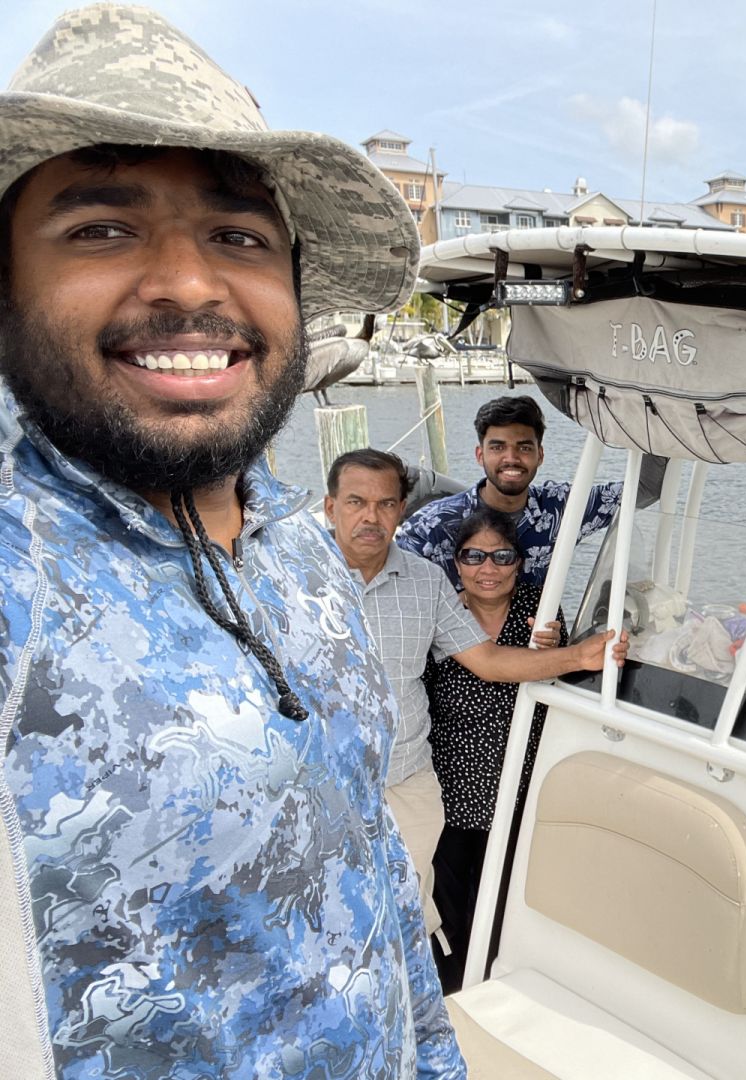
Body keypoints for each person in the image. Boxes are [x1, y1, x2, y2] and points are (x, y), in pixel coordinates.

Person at [0, 7, 459, 1075]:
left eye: (239, 238)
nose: (191, 283)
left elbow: (376, 863)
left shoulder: (302, 545)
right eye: (100, 228)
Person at [323, 447, 625, 947]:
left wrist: (579, 656)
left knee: (410, 915)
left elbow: (487, 659)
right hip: (322, 782)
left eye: (386, 503)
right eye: (356, 502)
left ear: (402, 510)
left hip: (407, 780)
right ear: (331, 507)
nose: (371, 517)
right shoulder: (291, 576)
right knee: (324, 909)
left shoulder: (426, 581)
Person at [422, 506, 567, 993]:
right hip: (450, 792)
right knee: (447, 912)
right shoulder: (442, 612)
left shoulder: (541, 612)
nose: (488, 568)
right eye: (474, 556)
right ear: (457, 563)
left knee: (504, 907)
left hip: (516, 794)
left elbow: (559, 682)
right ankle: (450, 997)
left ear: (519, 563)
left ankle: (494, 992)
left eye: (502, 556)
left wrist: (555, 650)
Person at [395, 394, 663, 590]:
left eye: (524, 448)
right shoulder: (433, 524)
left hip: (540, 642)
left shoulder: (560, 508)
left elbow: (645, 488)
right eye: (498, 447)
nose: (511, 458)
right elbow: (394, 587)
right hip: (460, 648)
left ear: (540, 455)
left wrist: (654, 414)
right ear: (480, 455)